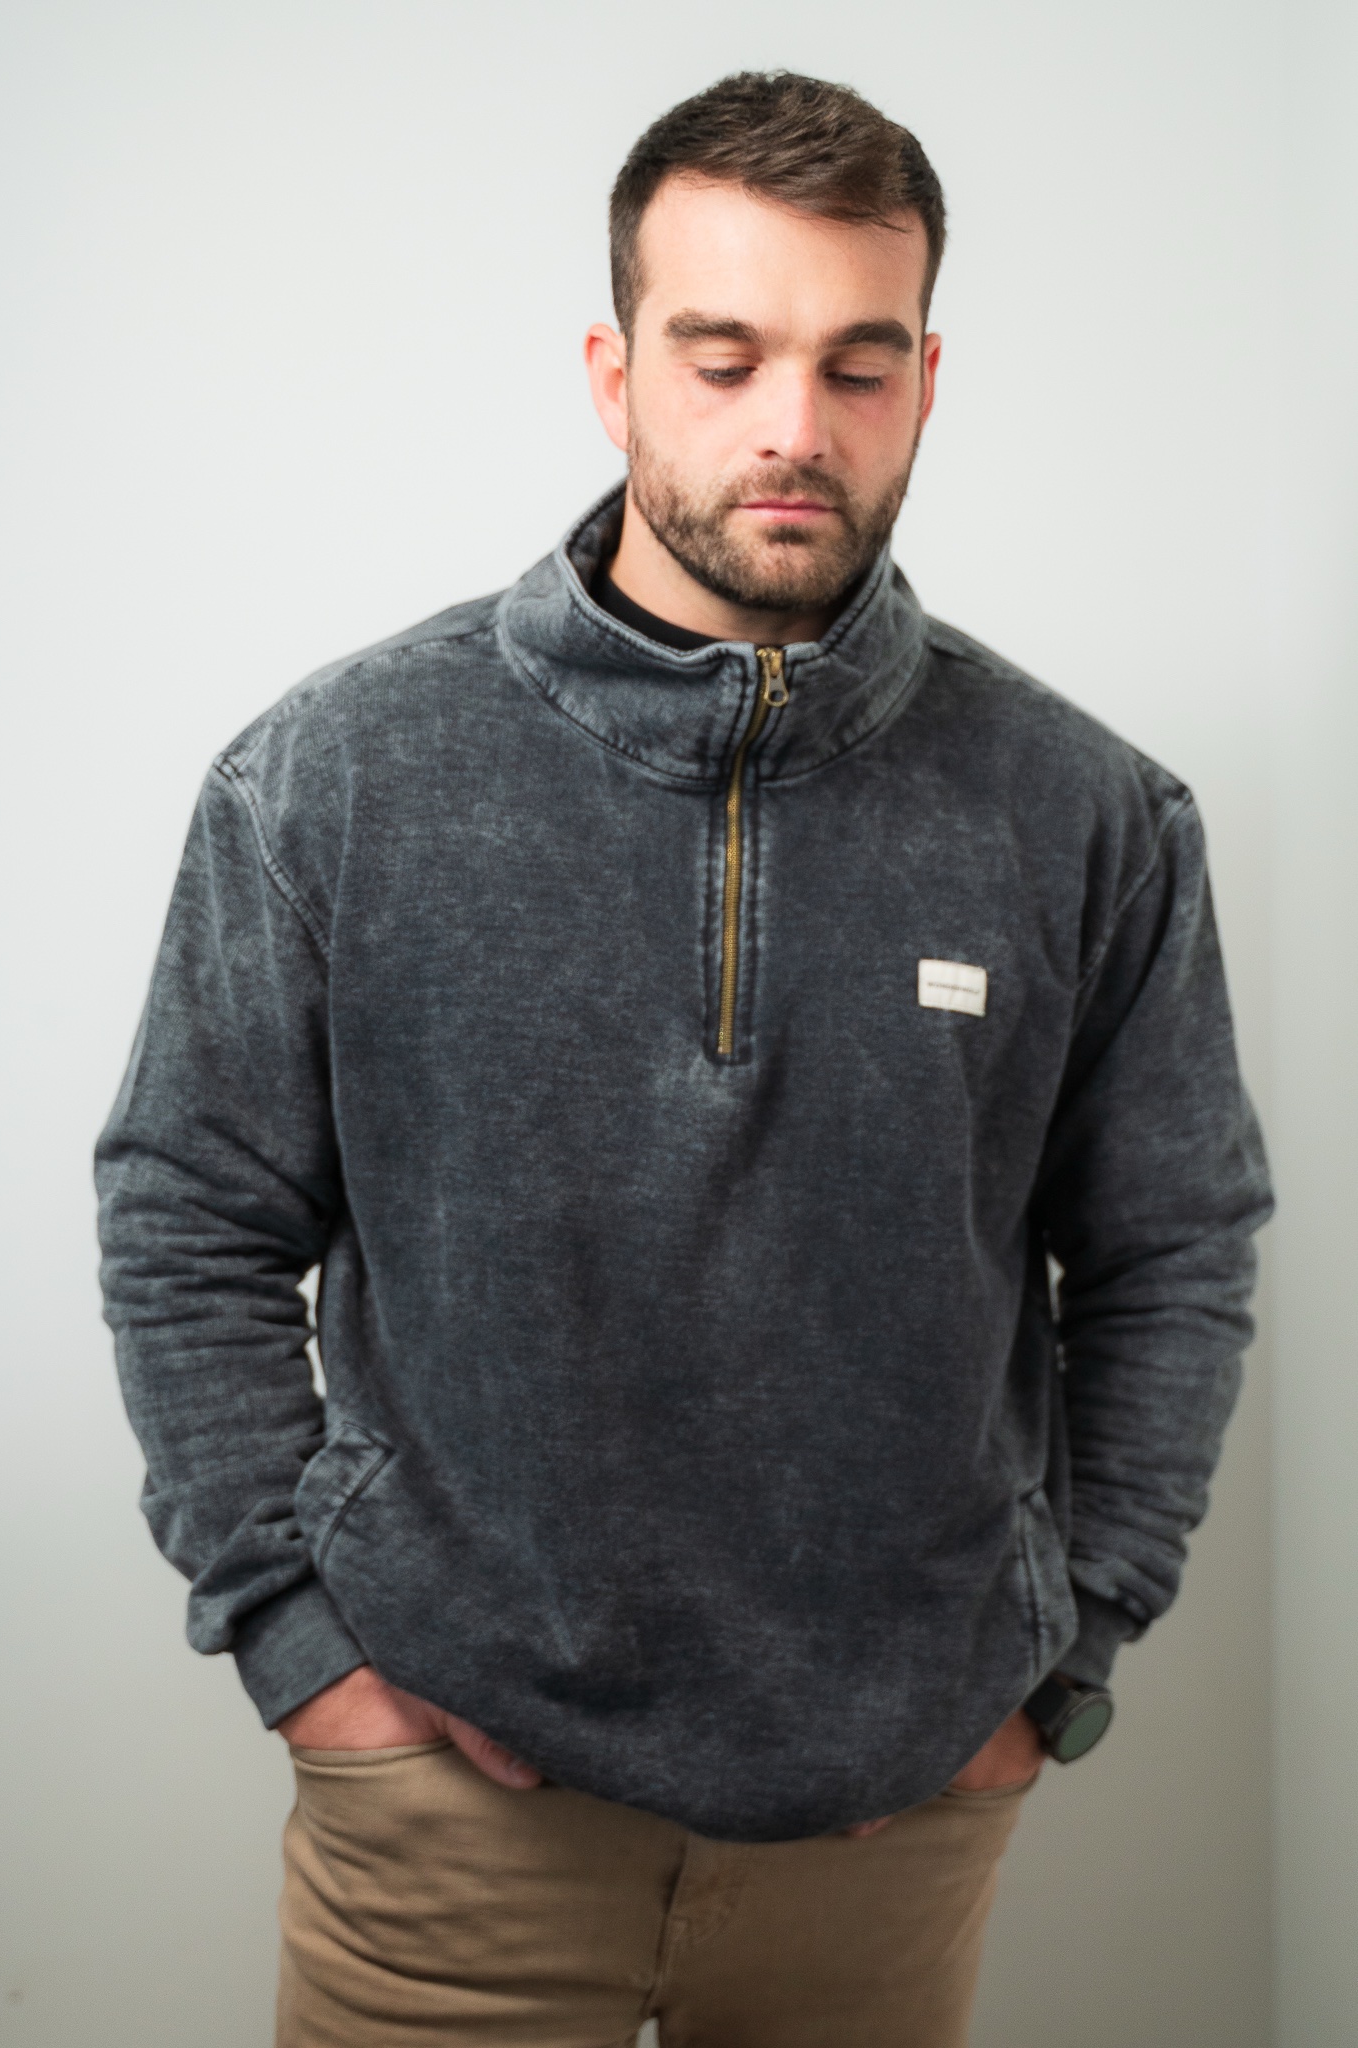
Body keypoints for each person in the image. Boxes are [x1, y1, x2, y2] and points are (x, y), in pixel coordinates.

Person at [96, 68, 1273, 2048]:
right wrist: (304, 1653)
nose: (790, 426)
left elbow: (1171, 1247)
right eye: (721, 359)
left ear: (924, 383)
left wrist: (1064, 1657)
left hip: (893, 1823)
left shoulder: (1088, 816)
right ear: (612, 372)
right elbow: (186, 1217)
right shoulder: (334, 777)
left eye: (856, 364)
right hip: (448, 1824)